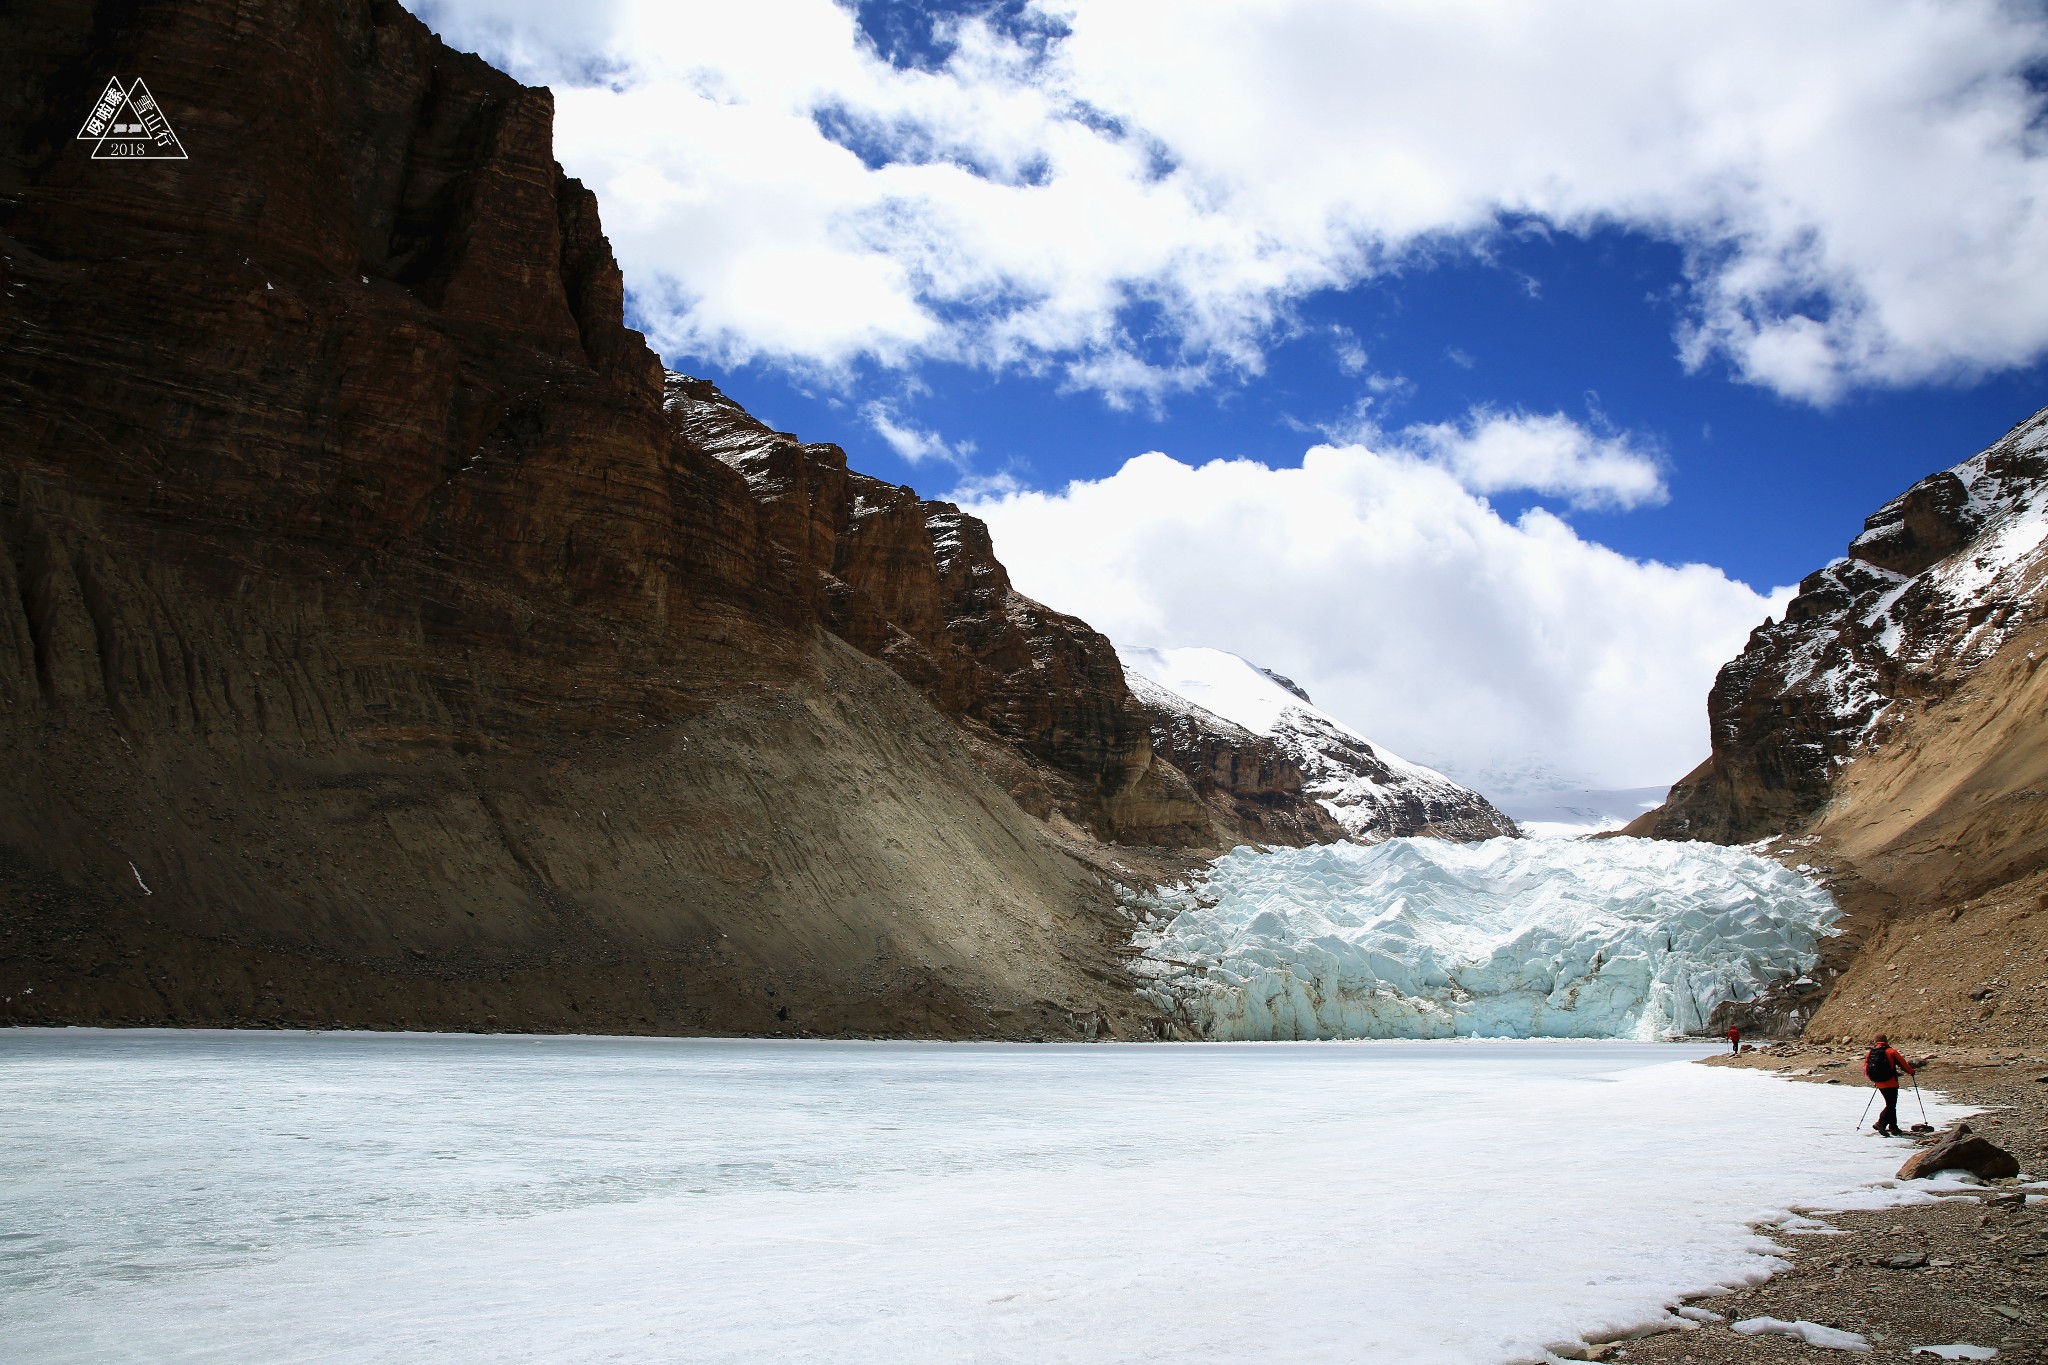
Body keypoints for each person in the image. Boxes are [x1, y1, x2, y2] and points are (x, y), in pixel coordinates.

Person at [1865, 1034, 1916, 1136]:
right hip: (1891, 1082)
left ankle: (1893, 1127)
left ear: (1875, 1042)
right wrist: (1912, 1072)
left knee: (1891, 1104)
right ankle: (1881, 1123)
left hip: (1879, 1082)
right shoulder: (1891, 1051)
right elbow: (1903, 1064)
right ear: (1886, 1041)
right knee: (1891, 1104)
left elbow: (1866, 1068)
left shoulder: (1871, 1052)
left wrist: (1874, 1079)